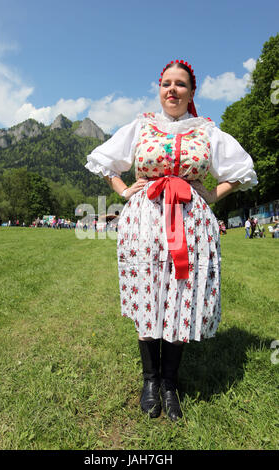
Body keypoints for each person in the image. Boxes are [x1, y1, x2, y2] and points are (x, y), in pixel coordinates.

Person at [85, 59, 258, 421]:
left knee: (181, 297)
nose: (172, 90)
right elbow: (104, 159)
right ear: (159, 89)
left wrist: (212, 194)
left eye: (180, 84)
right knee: (150, 294)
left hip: (191, 222)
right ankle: (150, 381)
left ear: (192, 92)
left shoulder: (206, 131)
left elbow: (243, 170)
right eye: (167, 83)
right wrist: (122, 187)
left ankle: (169, 383)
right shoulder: (142, 126)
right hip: (146, 220)